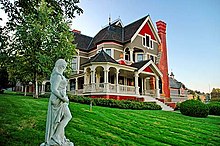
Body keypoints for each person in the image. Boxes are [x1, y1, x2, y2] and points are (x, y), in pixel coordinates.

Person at [41, 59, 73, 146]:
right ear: (59, 66)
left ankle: (59, 136)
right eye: (63, 66)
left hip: (61, 101)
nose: (64, 68)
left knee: (64, 117)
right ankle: (56, 136)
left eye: (65, 66)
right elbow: (54, 90)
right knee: (65, 117)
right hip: (57, 100)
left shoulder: (60, 76)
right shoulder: (57, 76)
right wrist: (63, 99)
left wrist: (64, 99)